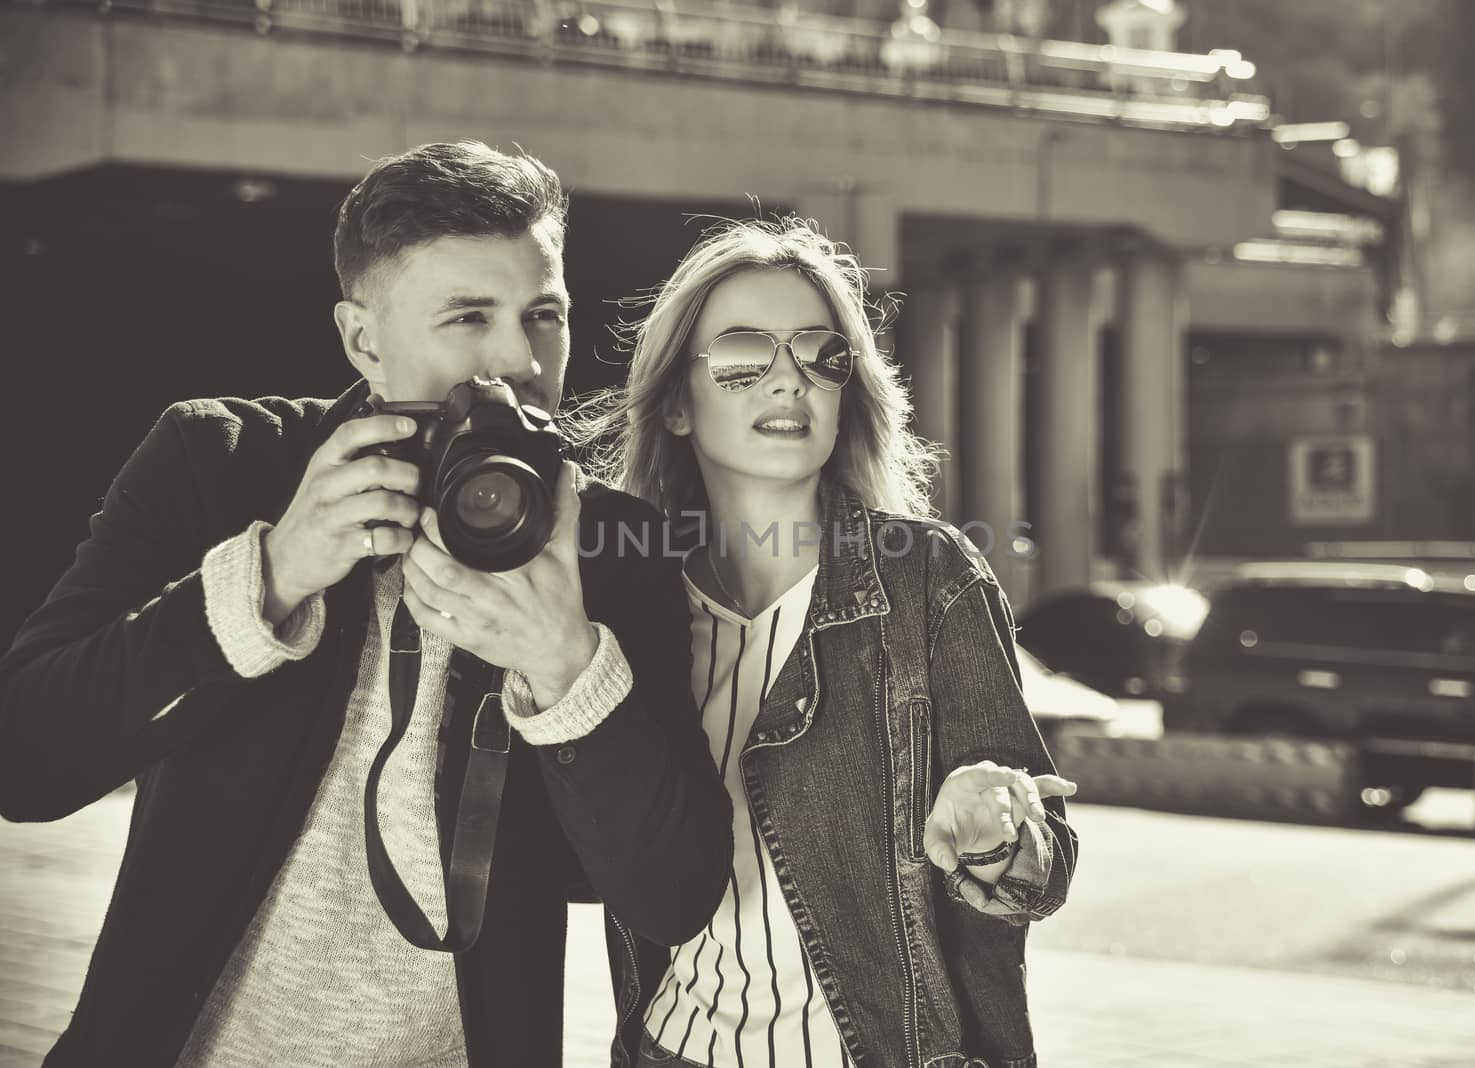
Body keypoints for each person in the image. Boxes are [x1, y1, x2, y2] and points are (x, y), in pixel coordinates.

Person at [0, 141, 732, 1067]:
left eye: (543, 314)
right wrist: (268, 578)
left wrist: (565, 665)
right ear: (361, 339)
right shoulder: (221, 465)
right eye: (469, 316)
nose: (518, 357)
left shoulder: (609, 548)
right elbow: (25, 763)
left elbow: (671, 896)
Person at [588, 217, 1079, 1067]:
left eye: (822, 356)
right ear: (673, 401)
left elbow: (1044, 868)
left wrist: (997, 834)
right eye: (744, 354)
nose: (790, 381)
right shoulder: (632, 601)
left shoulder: (927, 577)